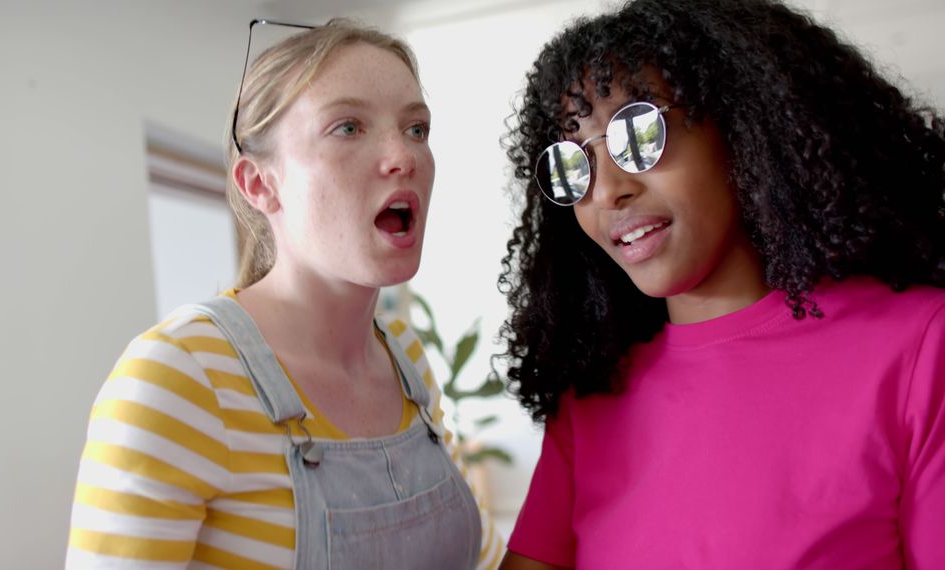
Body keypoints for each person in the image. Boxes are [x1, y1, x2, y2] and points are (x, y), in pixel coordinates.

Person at [495, 0, 945, 568]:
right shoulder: (592, 400)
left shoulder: (921, 349)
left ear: (739, 125)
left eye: (638, 132)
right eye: (574, 161)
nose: (606, 191)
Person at [66, 19, 502, 569]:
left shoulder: (405, 360)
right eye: (348, 127)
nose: (404, 156)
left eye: (416, 128)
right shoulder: (176, 378)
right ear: (259, 185)